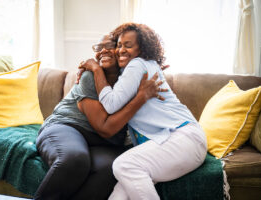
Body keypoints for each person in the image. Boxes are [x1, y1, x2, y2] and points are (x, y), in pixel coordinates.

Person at [79, 23, 207, 200]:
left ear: (142, 49)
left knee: (124, 165)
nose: (122, 50)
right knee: (120, 193)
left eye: (128, 45)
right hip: (184, 141)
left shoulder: (137, 65)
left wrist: (96, 69)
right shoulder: (141, 67)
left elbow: (110, 104)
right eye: (119, 45)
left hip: (182, 138)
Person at [34, 35, 166, 200]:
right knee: (74, 159)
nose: (103, 50)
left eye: (109, 45)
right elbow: (104, 128)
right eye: (98, 47)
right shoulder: (89, 76)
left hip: (104, 143)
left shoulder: (133, 77)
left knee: (113, 168)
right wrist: (96, 69)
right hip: (67, 127)